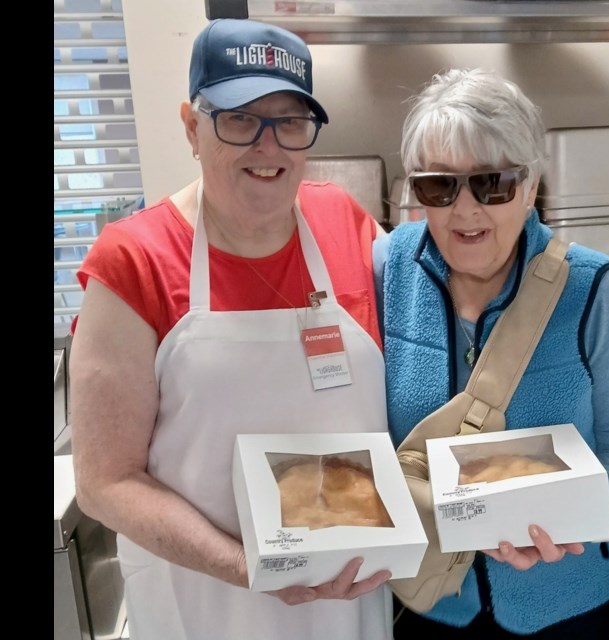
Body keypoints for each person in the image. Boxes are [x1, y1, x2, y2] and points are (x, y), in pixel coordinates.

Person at [69, 18, 393, 640]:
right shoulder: (132, 260)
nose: (268, 146)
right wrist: (251, 567)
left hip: (349, 605)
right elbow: (105, 482)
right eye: (240, 118)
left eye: (290, 122)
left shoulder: (346, 224)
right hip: (205, 607)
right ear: (192, 127)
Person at [375, 68, 609, 639]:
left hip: (568, 601)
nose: (465, 209)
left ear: (530, 188)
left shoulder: (590, 288)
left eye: (492, 183)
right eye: (438, 186)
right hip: (431, 600)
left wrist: (565, 518)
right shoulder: (387, 271)